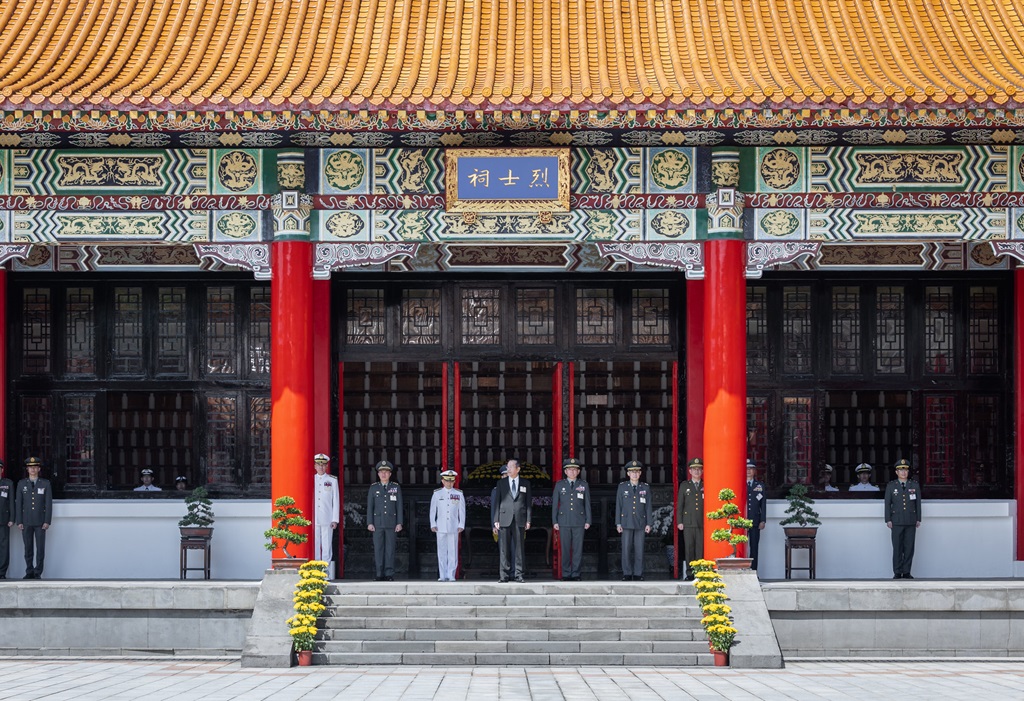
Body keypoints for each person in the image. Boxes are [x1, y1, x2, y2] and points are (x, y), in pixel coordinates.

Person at [491, 458, 531, 583]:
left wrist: (528, 520)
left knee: (519, 548)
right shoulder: (501, 483)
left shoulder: (525, 483)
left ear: (518, 469)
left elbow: (528, 503)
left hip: (520, 518)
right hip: (504, 518)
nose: (508, 469)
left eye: (510, 467)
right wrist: (496, 519)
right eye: (507, 467)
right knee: (504, 548)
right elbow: (497, 502)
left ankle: (519, 574)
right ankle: (504, 575)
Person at [552, 457, 591, 581]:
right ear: (565, 471)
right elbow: (554, 505)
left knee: (577, 549)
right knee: (565, 548)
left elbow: (587, 504)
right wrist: (555, 521)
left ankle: (576, 573)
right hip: (563, 521)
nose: (572, 472)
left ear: (578, 472)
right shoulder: (559, 485)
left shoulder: (583, 485)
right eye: (570, 470)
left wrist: (588, 520)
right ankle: (566, 573)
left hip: (579, 521)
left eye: (575, 470)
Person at [15, 456, 52, 579]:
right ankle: (29, 571)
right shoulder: (21, 484)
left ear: (39, 469)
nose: (32, 470)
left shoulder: (45, 483)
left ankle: (38, 572)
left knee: (40, 549)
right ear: (27, 469)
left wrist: (47, 521)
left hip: (40, 521)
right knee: (28, 548)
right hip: (26, 521)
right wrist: (19, 521)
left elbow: (48, 504)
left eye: (35, 467)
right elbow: (18, 504)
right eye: (30, 467)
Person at [616, 460, 653, 581]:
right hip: (626, 522)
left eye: (637, 472)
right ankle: (626, 573)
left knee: (639, 549)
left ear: (640, 473)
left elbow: (648, 506)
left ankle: (638, 573)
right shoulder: (622, 487)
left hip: (640, 522)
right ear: (628, 474)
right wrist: (618, 523)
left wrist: (649, 523)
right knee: (626, 549)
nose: (634, 474)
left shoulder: (645, 487)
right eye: (632, 472)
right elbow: (619, 506)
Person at [884, 458, 921, 579]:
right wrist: (888, 519)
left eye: (905, 470)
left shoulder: (914, 485)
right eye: (901, 470)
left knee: (909, 547)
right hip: (896, 521)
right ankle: (897, 571)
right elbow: (887, 504)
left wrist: (918, 518)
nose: (903, 473)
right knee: (897, 547)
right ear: (896, 472)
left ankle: (906, 571)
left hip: (910, 520)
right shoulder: (891, 486)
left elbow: (918, 504)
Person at [366, 460, 403, 581]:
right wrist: (369, 522)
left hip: (391, 523)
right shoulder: (373, 488)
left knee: (390, 549)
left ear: (390, 474)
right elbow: (370, 506)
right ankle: (379, 573)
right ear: (378, 474)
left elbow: (399, 506)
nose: (383, 474)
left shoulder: (395, 487)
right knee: (378, 549)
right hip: (377, 523)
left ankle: (389, 573)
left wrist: (399, 522)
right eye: (381, 472)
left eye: (386, 472)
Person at [429, 469, 465, 582]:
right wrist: (433, 523)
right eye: (447, 481)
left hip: (453, 526)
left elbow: (462, 511)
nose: (449, 483)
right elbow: (432, 510)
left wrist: (461, 524)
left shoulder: (458, 494)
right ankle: (442, 574)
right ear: (442, 481)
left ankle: (451, 574)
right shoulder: (437, 493)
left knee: (453, 551)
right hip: (440, 526)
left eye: (451, 481)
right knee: (442, 551)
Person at [676, 457, 705, 580]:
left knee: (700, 549)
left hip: (702, 522)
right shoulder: (684, 485)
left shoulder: (706, 484)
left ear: (702, 471)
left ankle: (699, 572)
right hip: (688, 522)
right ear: (690, 471)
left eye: (699, 469)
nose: (697, 472)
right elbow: (680, 505)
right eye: (694, 469)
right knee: (689, 548)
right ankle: (689, 573)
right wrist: (679, 521)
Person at [313, 453, 340, 578]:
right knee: (316, 545)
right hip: (314, 518)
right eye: (319, 464)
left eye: (323, 465)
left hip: (327, 517)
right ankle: (315, 570)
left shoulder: (332, 480)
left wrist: (335, 519)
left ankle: (325, 571)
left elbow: (336, 500)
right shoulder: (311, 479)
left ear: (327, 466)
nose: (321, 467)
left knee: (326, 546)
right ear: (315, 466)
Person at [746, 459, 767, 571]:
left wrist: (762, 520)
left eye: (751, 468)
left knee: (754, 548)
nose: (748, 471)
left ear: (754, 471)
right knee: (741, 547)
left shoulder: (760, 486)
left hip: (755, 521)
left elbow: (763, 505)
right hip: (741, 522)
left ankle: (753, 571)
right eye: (746, 468)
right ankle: (741, 570)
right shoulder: (739, 483)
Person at [0, 460, 12, 580]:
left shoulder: (7, 483)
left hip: (3, 520)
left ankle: (2, 571)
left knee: (4, 547)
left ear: (2, 470)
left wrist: (12, 519)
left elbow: (11, 503)